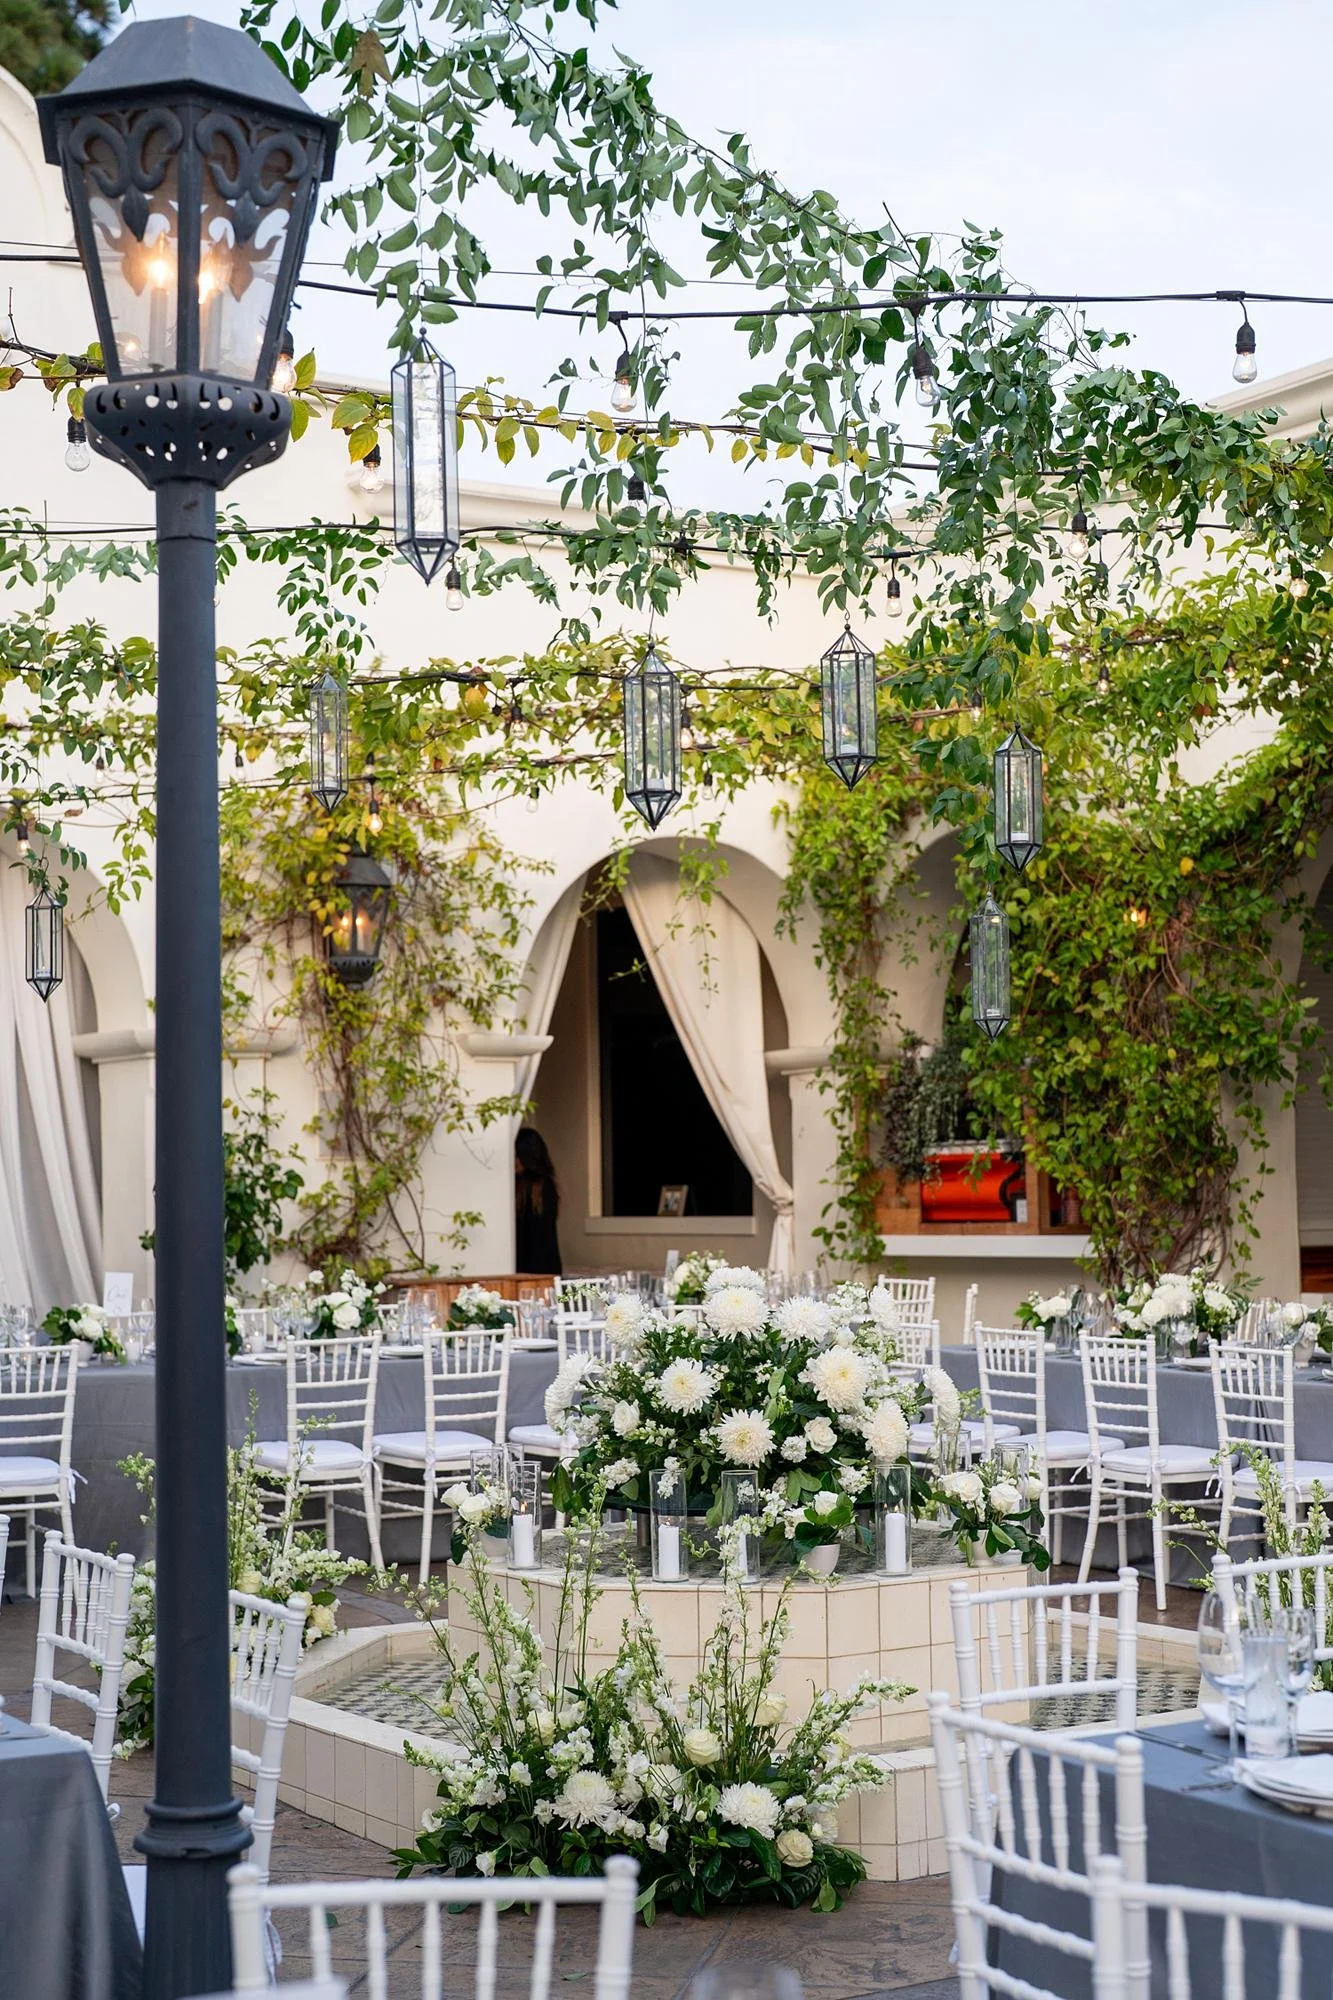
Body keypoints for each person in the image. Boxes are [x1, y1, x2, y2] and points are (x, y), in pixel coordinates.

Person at [515, 1126, 562, 1274]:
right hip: (533, 1268)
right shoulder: (520, 1187)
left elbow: (541, 1238)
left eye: (517, 1156)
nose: (514, 1161)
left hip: (538, 1268)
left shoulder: (542, 1188)